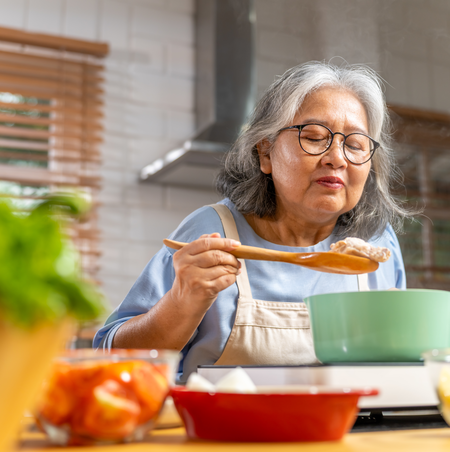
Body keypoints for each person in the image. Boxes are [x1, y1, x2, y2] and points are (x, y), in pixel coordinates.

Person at [94, 61, 412, 383]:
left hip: (348, 431)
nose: (338, 158)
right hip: (223, 431)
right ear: (265, 152)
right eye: (315, 137)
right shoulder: (211, 230)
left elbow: (397, 365)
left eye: (355, 144)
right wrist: (181, 301)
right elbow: (111, 360)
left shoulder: (375, 244)